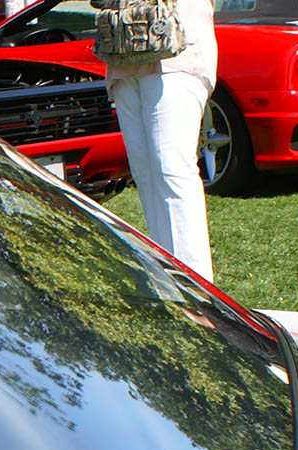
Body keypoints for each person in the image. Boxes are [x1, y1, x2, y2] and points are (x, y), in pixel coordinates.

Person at [104, 0, 218, 282]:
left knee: (171, 168)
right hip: (125, 53)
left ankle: (199, 292)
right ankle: (168, 283)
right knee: (146, 173)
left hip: (177, 51)